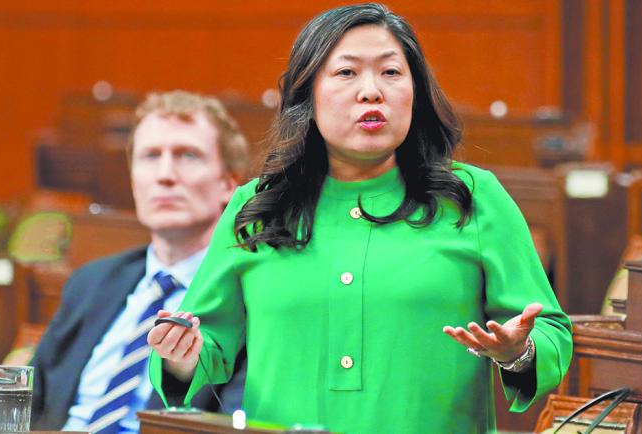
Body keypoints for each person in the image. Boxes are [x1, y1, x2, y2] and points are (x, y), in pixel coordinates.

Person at [147, 4, 573, 434]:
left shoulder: (472, 198)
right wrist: (180, 356)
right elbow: (206, 345)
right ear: (307, 92)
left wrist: (519, 351)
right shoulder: (257, 206)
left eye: (391, 73)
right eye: (346, 73)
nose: (371, 91)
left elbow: (553, 332)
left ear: (416, 92)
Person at [31, 90, 249, 433]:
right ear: (133, 179)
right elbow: (31, 402)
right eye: (149, 156)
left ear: (229, 184)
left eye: (187, 155)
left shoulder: (251, 295)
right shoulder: (92, 282)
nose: (164, 175)